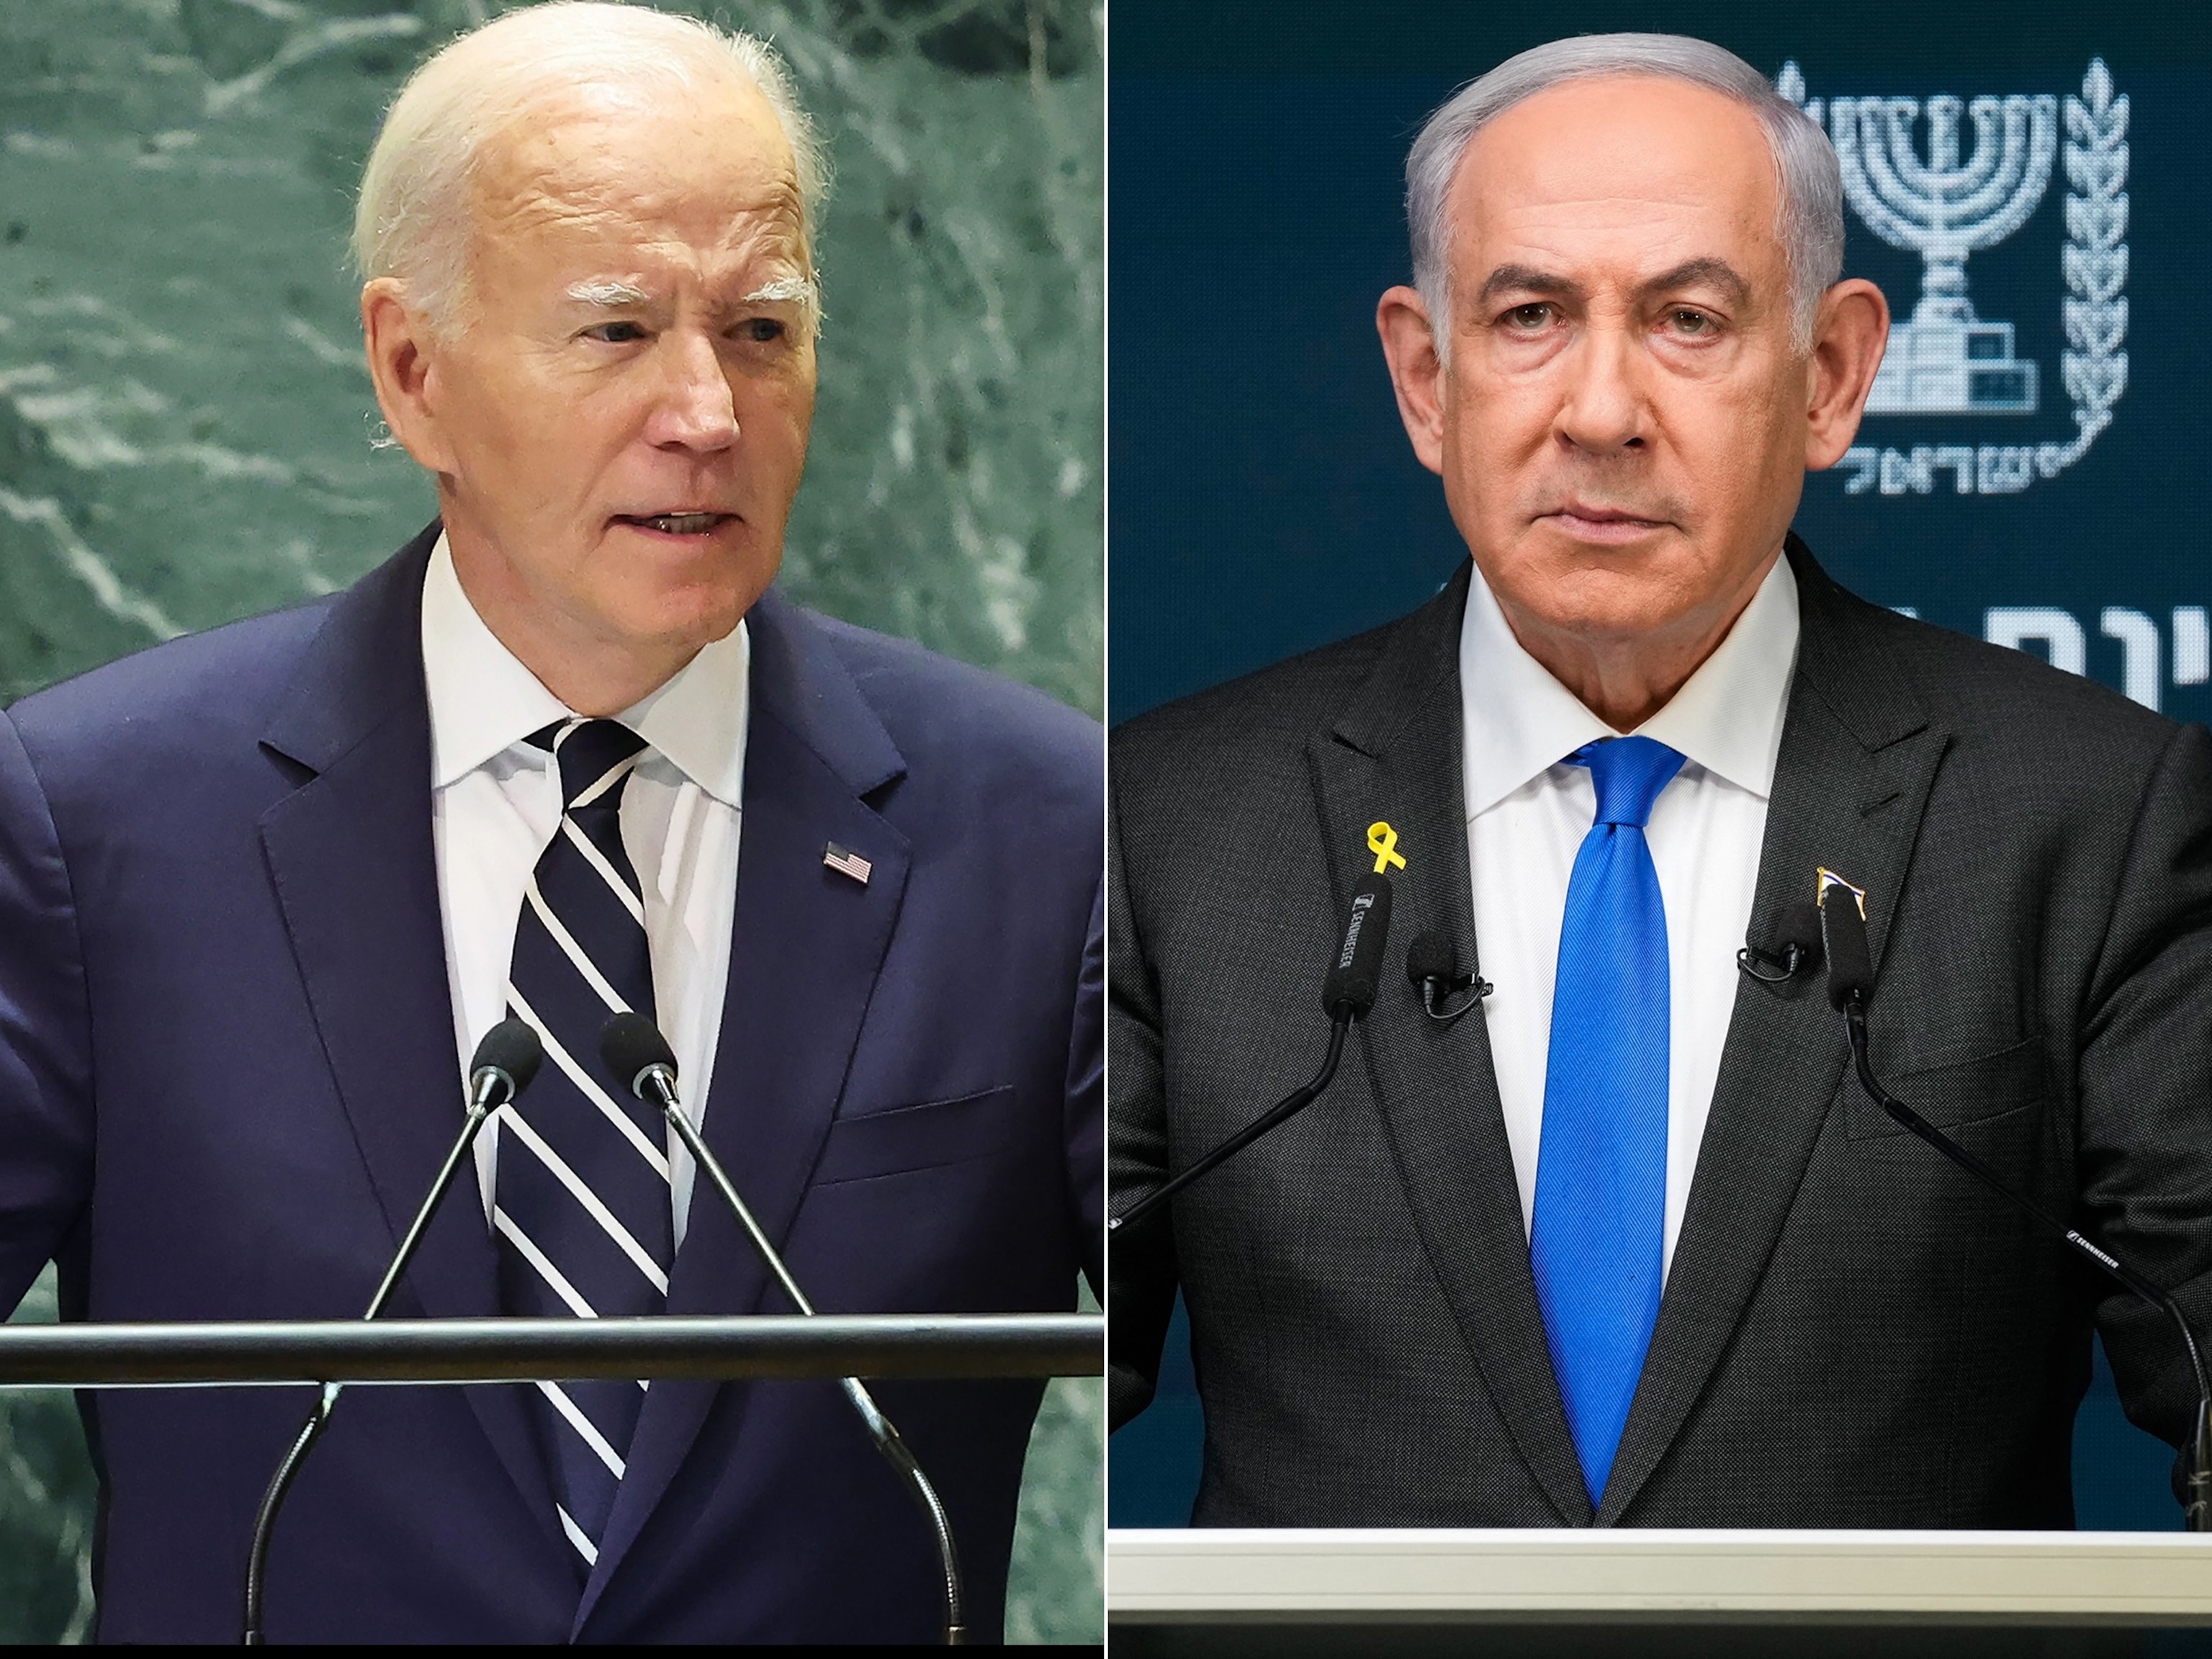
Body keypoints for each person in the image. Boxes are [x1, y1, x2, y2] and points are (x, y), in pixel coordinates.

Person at [0, 2, 1100, 1641]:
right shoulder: (97, 821)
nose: (710, 414)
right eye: (614, 333)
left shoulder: (1047, 828)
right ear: (414, 373)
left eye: (764, 330)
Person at [1108, 32, 2212, 1529]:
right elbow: (996, 1371)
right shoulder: (1166, 829)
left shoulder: (2091, 818)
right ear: (1427, 379)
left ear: (1830, 374)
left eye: (1689, 320)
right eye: (1529, 317)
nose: (1604, 411)